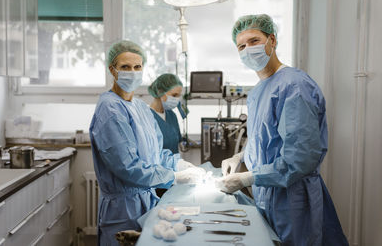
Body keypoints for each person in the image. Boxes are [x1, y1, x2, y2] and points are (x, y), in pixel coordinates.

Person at [218, 14, 348, 245]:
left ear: (272, 40)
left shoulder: (294, 86)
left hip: (294, 200)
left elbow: (300, 158)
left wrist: (246, 178)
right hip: (266, 193)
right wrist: (240, 156)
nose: (248, 49)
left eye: (254, 41)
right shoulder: (258, 91)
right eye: (241, 46)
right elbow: (263, 138)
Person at [89, 40, 205, 246]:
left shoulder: (141, 108)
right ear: (112, 70)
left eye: (137, 67)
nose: (132, 72)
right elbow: (128, 167)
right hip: (123, 208)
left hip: (147, 202)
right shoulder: (110, 109)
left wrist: (178, 164)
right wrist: (174, 177)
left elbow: (156, 154)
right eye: (125, 67)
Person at [148, 73, 183, 154]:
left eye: (178, 96)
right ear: (160, 92)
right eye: (174, 95)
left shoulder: (172, 115)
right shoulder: (146, 117)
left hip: (174, 164)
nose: (176, 100)